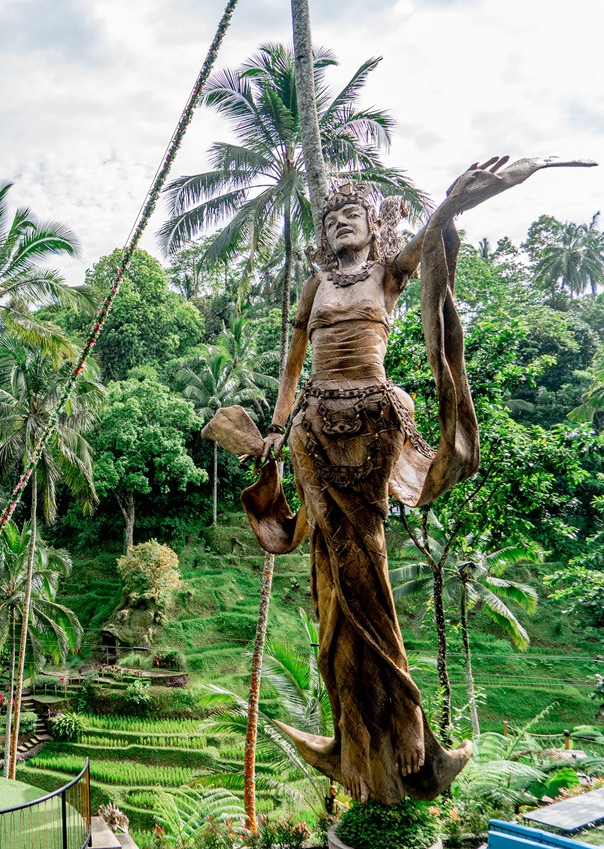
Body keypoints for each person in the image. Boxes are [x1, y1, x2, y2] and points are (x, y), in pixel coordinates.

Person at [225, 156, 594, 804]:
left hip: (371, 420)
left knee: (361, 562)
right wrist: (277, 430)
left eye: (352, 215)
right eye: (331, 217)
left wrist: (459, 198)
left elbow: (431, 237)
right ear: (324, 234)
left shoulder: (388, 274)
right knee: (330, 580)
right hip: (314, 427)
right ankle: (356, 743)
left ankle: (407, 721)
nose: (342, 223)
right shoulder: (315, 288)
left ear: (371, 227)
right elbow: (289, 370)